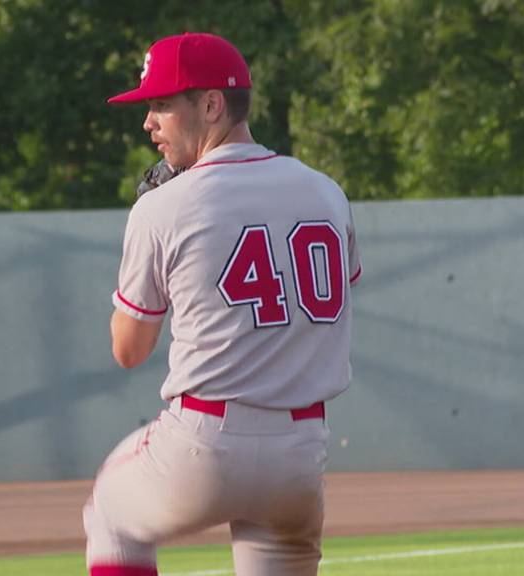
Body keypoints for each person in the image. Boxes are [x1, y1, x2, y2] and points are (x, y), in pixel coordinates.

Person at [85, 32, 362, 576]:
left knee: (112, 515)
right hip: (301, 451)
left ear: (211, 104)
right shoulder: (326, 191)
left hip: (204, 443)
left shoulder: (163, 207)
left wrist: (147, 222)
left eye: (161, 105)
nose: (149, 122)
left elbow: (128, 349)